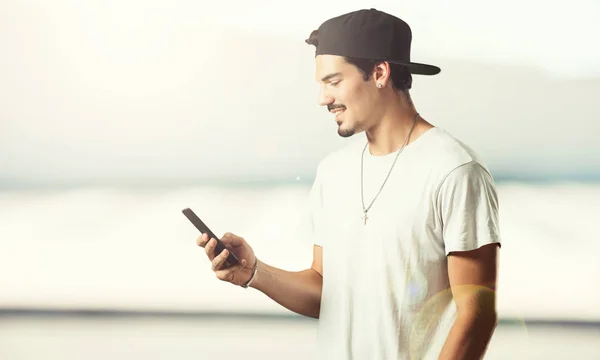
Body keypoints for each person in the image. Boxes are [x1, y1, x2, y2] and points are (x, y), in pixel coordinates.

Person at [196, 8, 501, 360]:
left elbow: (476, 314)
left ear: (380, 73)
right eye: (321, 84)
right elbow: (328, 293)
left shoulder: (454, 169)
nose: (323, 99)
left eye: (334, 81)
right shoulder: (332, 173)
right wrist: (255, 272)